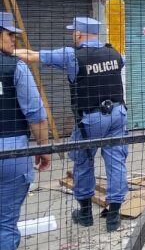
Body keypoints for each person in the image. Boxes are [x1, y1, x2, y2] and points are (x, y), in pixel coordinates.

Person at [16, 17, 128, 232]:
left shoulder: (71, 55)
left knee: (83, 162)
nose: (71, 35)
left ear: (79, 34)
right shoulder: (115, 53)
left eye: (72, 32)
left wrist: (8, 53)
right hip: (117, 114)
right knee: (116, 163)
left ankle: (85, 213)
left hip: (90, 119)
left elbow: (31, 56)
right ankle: (113, 217)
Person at [0, 13, 49, 250]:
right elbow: (36, 115)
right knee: (5, 220)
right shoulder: (14, 68)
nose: (13, 41)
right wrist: (43, 148)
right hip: (10, 150)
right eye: (9, 36)